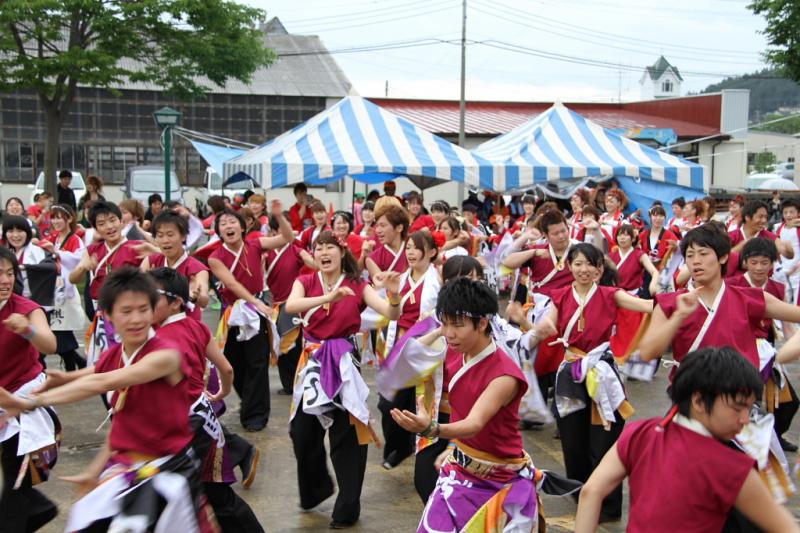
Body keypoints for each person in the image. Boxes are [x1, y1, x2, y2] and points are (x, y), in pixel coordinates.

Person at [0, 266, 217, 532]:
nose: (136, 319)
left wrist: (30, 402)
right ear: (107, 315)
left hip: (166, 471)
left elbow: (102, 381)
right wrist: (94, 471)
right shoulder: (118, 354)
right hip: (126, 469)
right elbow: (118, 414)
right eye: (126, 311)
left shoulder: (166, 355)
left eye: (143, 309)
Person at [574, 347, 800, 533]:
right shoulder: (732, 466)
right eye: (737, 407)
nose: (745, 419)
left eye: (749, 408)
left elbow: (591, 492)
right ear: (699, 401)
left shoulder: (640, 433)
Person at [390, 277, 540, 532]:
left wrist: (431, 429)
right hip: (460, 468)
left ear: (482, 323)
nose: (450, 333)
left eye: (457, 325)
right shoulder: (453, 350)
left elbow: (474, 423)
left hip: (500, 478)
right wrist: (438, 330)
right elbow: (402, 363)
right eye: (445, 323)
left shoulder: (504, 374)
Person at [525, 243, 652, 522]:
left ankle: (608, 506)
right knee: (573, 442)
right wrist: (529, 329)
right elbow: (546, 326)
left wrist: (679, 300)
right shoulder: (560, 296)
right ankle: (582, 495)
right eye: (578, 263)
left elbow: (647, 306)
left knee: (604, 441)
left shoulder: (611, 295)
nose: (584, 269)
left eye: (590, 264)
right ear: (569, 266)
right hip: (571, 373)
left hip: (602, 372)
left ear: (599, 269)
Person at [285, 230, 401, 529]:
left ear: (341, 252)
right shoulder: (305, 281)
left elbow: (390, 313)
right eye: (318, 248)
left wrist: (394, 294)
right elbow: (291, 306)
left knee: (347, 435)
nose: (324, 252)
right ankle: (315, 489)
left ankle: (347, 508)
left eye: (330, 247)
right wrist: (329, 297)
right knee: (302, 431)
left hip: (344, 364)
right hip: (312, 363)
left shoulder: (357, 284)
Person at [149, 268, 263, 533]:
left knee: (212, 497)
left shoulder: (161, 340)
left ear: (176, 302)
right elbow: (227, 369)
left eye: (152, 296)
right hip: (202, 418)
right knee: (213, 495)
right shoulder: (196, 326)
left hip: (186, 426)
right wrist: (223, 391)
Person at [208, 205, 293, 432]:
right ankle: (249, 400)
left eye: (232, 222)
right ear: (218, 231)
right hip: (232, 313)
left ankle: (256, 415)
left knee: (257, 362)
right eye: (223, 224)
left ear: (243, 227)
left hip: (255, 313)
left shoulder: (255, 244)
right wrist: (255, 302)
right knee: (233, 362)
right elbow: (231, 284)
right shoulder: (215, 257)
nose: (228, 226)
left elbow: (287, 237)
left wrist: (279, 216)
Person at [0, 247, 59, 533]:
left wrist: (27, 330)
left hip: (25, 401)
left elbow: (50, 344)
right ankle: (39, 508)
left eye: (10, 273)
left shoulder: (26, 308)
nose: (5, 280)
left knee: (17, 476)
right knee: (17, 483)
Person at [728, 238, 799, 452]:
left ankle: (774, 437)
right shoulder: (732, 285)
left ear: (772, 263)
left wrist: (792, 346)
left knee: (788, 403)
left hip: (767, 350)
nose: (759, 267)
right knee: (747, 401)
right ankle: (740, 443)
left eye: (764, 262)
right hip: (739, 348)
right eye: (754, 262)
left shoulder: (777, 287)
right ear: (745, 262)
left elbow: (787, 325)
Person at [69, 201, 145, 364]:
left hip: (129, 314)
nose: (109, 227)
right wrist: (83, 267)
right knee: (105, 362)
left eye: (112, 220)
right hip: (103, 316)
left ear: (121, 221)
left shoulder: (137, 247)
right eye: (102, 223)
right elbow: (73, 279)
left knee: (127, 361)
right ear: (96, 228)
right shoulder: (92, 250)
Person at [40, 204, 87, 371]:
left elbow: (78, 260)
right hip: (53, 291)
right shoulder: (54, 237)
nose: (55, 221)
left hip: (65, 293)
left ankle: (73, 368)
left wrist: (57, 252)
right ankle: (78, 363)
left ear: (70, 219)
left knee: (61, 333)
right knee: (59, 333)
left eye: (59, 218)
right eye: (53, 218)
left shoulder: (75, 239)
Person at [141, 211, 210, 320]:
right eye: (160, 235)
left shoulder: (197, 268)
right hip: (157, 323)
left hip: (186, 324)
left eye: (170, 234)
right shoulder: (151, 262)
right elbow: (137, 289)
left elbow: (204, 300)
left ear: (183, 236)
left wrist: (194, 296)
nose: (165, 240)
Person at [609, 224, 659, 358]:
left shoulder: (639, 255)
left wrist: (653, 284)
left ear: (632, 238)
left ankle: (629, 358)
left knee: (631, 332)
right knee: (614, 332)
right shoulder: (612, 255)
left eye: (626, 235)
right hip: (614, 298)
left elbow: (654, 271)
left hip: (632, 299)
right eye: (620, 234)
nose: (622, 237)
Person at [2, 215, 48, 300]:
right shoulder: (5, 254)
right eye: (10, 231)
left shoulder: (39, 252)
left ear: (28, 232)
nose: (15, 235)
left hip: (34, 301)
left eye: (20, 231)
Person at [773, 197, 800, 304]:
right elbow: (777, 247)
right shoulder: (780, 228)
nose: (788, 215)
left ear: (798, 213)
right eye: (785, 212)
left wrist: (796, 268)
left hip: (797, 272)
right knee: (785, 302)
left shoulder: (798, 229)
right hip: (783, 272)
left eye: (791, 212)